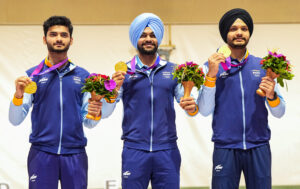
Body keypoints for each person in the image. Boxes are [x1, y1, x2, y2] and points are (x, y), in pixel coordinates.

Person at [103, 13, 197, 189]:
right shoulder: (124, 73)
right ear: (135, 39)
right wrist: (114, 88)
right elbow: (106, 112)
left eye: (152, 35)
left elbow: (187, 105)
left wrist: (191, 104)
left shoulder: (174, 70)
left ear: (158, 39)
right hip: (134, 150)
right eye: (143, 35)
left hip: (167, 150)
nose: (148, 39)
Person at [8, 16, 103, 189]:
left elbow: (88, 122)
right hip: (41, 154)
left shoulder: (83, 76)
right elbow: (15, 120)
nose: (58, 38)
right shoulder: (32, 76)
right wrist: (18, 95)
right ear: (45, 39)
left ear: (71, 40)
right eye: (53, 34)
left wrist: (95, 113)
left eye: (63, 35)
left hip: (75, 154)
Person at [198, 8, 286, 189]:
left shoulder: (263, 66)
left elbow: (280, 112)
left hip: (259, 145)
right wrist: (212, 76)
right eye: (233, 28)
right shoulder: (210, 67)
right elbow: (205, 110)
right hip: (225, 148)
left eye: (244, 29)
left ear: (249, 33)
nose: (239, 32)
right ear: (225, 34)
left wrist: (272, 95)